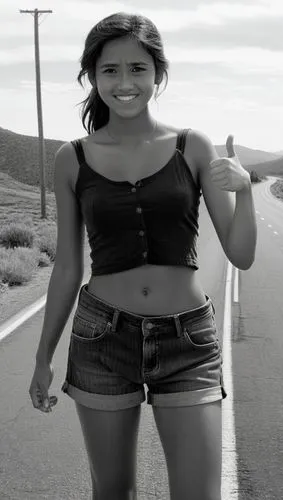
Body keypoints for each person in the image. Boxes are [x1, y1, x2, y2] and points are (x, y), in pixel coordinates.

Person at [28, 11, 257, 500]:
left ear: (158, 73)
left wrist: (247, 192)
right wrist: (43, 357)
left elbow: (240, 254)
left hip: (186, 343)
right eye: (110, 70)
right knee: (112, 492)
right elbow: (68, 268)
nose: (125, 82)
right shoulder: (72, 157)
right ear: (92, 76)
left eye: (138, 68)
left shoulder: (190, 146)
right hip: (101, 339)